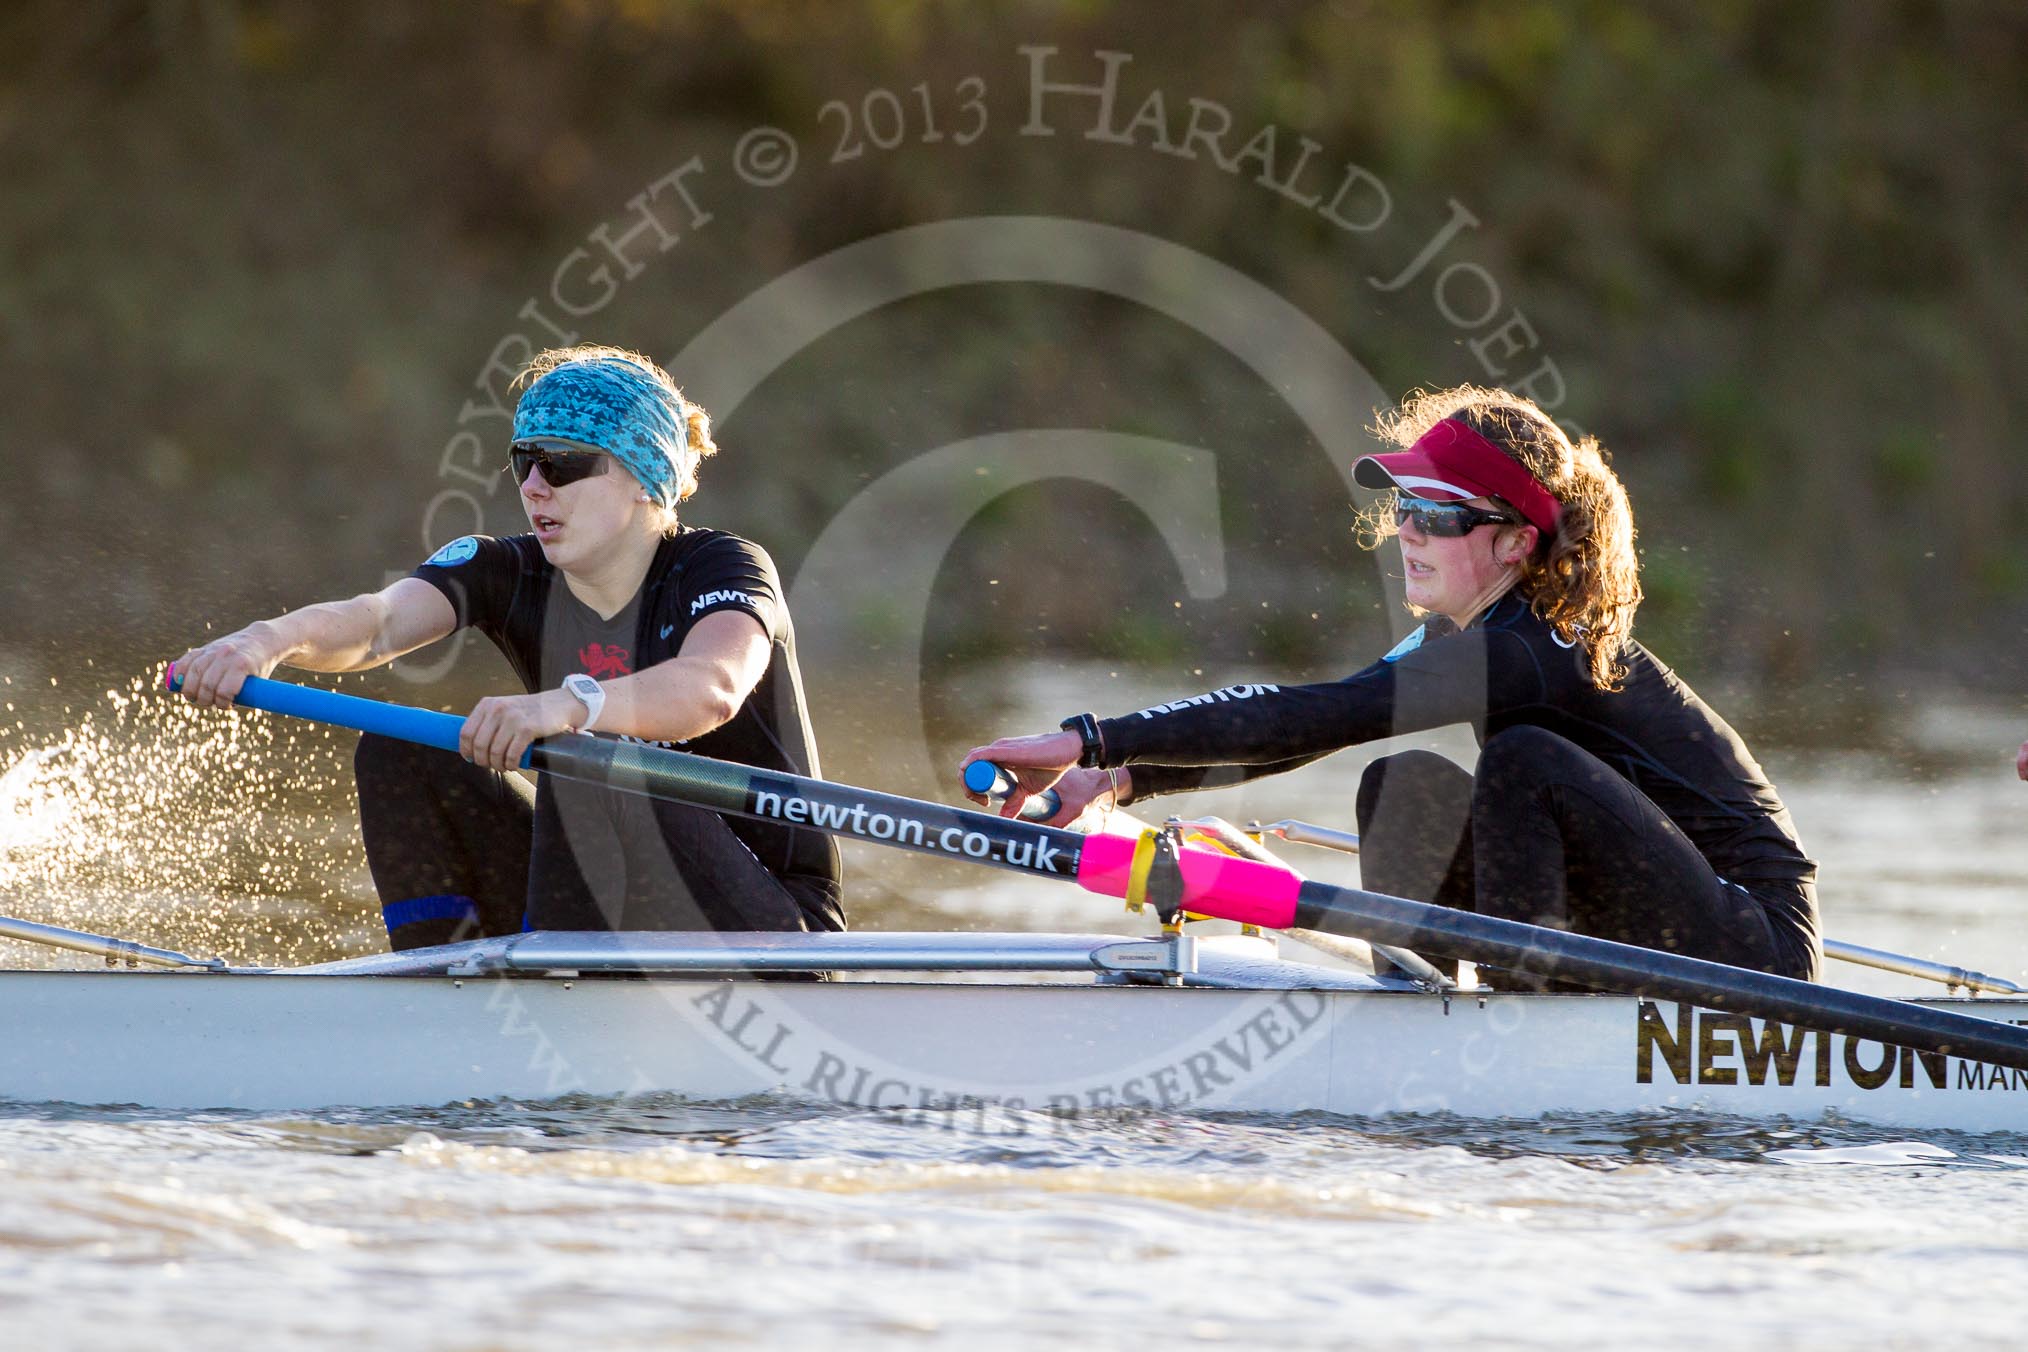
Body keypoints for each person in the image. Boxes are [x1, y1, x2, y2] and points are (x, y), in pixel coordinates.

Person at [961, 385, 1818, 985]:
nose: (1407, 530)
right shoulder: (1474, 634)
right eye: (1405, 504)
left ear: (1516, 544)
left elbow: (1323, 712)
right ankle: (1422, 1010)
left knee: (1524, 761)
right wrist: (1120, 777)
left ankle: (1522, 1022)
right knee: (1398, 784)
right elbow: (1312, 722)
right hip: (1647, 915)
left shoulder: (1527, 651)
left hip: (1757, 946)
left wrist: (1094, 736)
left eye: (1440, 515)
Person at [172, 345, 843, 949]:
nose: (532, 487)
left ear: (643, 477)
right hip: (600, 902)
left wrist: (571, 704)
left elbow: (711, 687)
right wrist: (262, 642)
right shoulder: (506, 570)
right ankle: (439, 990)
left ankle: (551, 995)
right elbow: (377, 623)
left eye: (563, 463)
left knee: (590, 760)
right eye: (525, 461)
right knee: (403, 748)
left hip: (771, 925)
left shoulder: (725, 568)